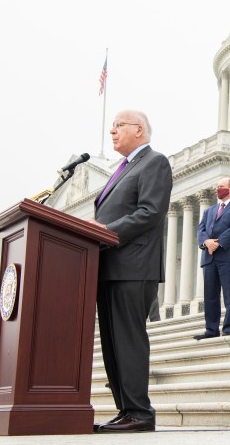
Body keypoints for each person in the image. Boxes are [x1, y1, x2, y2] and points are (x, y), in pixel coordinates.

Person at [89, 110, 172, 432]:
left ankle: (140, 412)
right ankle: (125, 410)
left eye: (118, 126)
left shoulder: (155, 162)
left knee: (128, 340)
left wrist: (105, 231)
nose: (112, 131)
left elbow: (151, 211)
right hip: (110, 266)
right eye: (111, 126)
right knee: (112, 343)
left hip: (134, 267)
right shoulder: (122, 169)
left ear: (138, 130)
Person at [194, 178, 230, 339]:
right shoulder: (209, 210)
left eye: (221, 187)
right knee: (210, 296)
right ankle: (211, 330)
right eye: (217, 187)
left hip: (227, 256)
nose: (218, 189)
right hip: (208, 257)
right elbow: (201, 230)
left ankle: (229, 328)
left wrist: (219, 242)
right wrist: (206, 242)